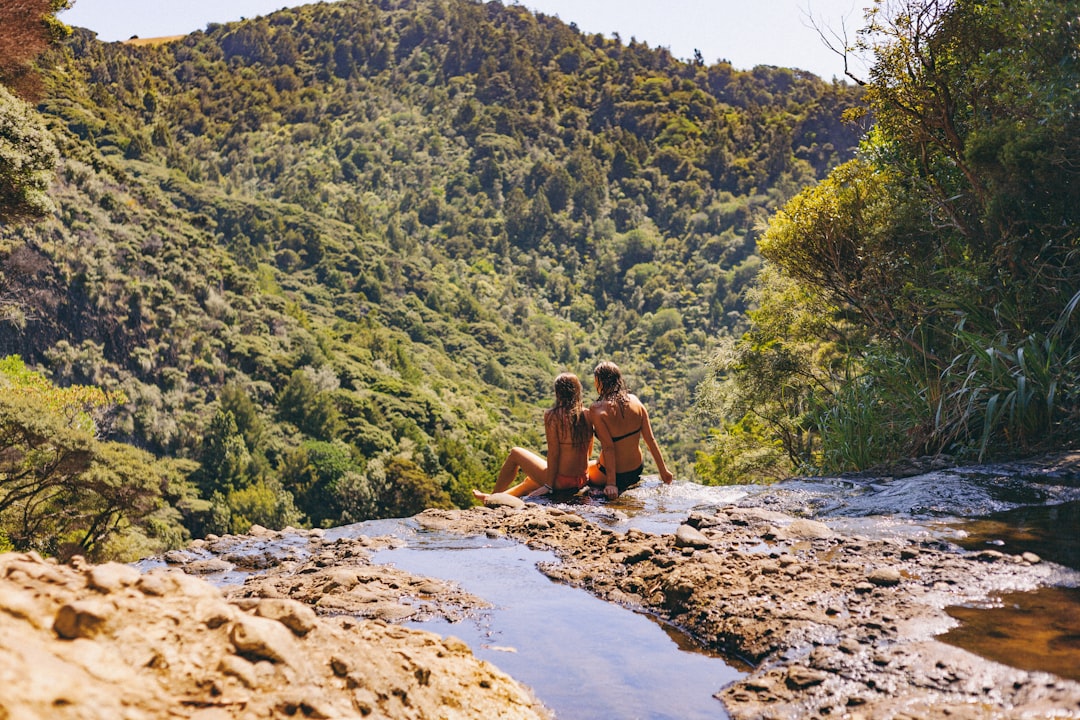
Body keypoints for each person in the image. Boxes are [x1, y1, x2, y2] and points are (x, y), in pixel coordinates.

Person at [472, 372, 593, 501]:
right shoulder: (588, 414)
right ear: (577, 391)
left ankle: (493, 497)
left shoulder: (553, 416)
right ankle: (498, 497)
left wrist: (548, 485)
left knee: (515, 453)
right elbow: (589, 453)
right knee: (530, 482)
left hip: (561, 482)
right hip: (582, 479)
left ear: (558, 393)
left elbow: (553, 453)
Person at [587, 361, 673, 499]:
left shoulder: (597, 410)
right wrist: (664, 472)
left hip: (613, 474)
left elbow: (609, 448)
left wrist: (611, 484)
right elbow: (650, 439)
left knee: (584, 469)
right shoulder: (635, 401)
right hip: (636, 470)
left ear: (600, 382)